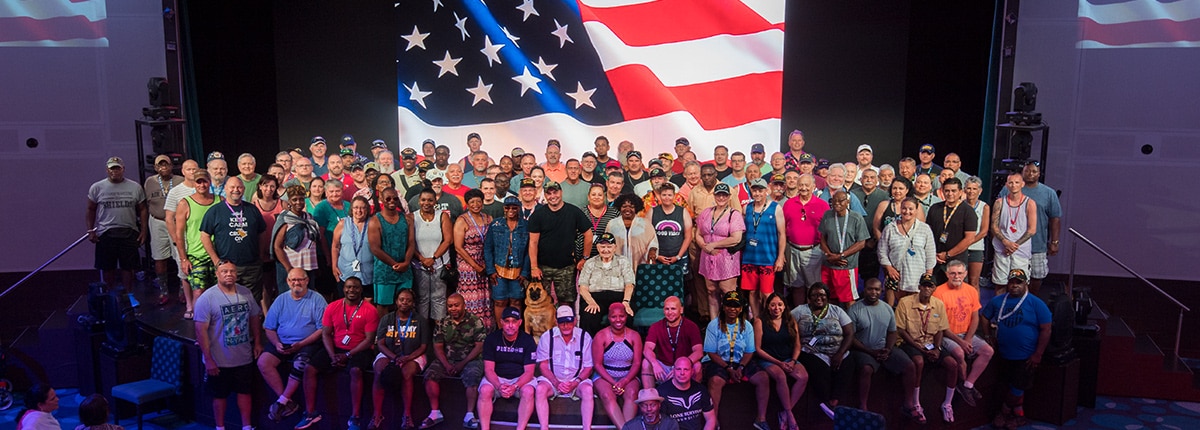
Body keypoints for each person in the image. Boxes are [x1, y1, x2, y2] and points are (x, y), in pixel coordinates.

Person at [297, 277, 378, 430]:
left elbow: (369, 340)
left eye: (355, 287)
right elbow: (326, 334)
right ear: (343, 288)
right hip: (335, 349)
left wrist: (348, 355)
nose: (351, 290)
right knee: (309, 368)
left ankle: (355, 418)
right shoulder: (333, 307)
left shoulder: (370, 310)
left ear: (361, 290)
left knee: (355, 371)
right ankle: (310, 413)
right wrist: (332, 354)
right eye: (348, 287)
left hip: (360, 349)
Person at [195, 260, 263, 430]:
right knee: (219, 396)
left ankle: (246, 426)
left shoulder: (246, 293)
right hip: (219, 360)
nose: (229, 274)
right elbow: (200, 331)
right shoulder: (207, 298)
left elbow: (255, 317)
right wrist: (208, 359)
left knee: (245, 392)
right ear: (217, 274)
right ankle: (220, 427)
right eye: (224, 271)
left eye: (232, 271)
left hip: (243, 356)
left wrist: (258, 342)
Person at [981, 269, 1051, 428]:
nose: (1014, 286)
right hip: (1003, 354)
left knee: (1018, 388)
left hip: (1026, 357)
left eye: (1018, 282)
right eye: (1012, 282)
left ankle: (1004, 411)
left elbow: (1047, 329)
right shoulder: (998, 301)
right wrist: (987, 336)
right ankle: (1019, 415)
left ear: (1025, 283)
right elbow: (985, 316)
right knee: (1009, 385)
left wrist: (1038, 354)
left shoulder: (1036, 303)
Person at [260, 268, 328, 422]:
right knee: (263, 362)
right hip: (282, 341)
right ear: (288, 282)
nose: (297, 283)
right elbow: (269, 327)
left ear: (307, 281)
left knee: (300, 363)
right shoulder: (281, 299)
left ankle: (281, 402)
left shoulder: (317, 299)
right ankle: (286, 402)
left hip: (307, 342)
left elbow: (322, 329)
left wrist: (301, 344)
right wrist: (276, 343)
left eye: (300, 279)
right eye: (293, 280)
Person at [846, 279, 918, 417]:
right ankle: (863, 406)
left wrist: (888, 349)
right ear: (864, 289)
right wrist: (870, 352)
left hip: (884, 349)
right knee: (866, 369)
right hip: (863, 349)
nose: (873, 292)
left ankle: (909, 404)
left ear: (881, 291)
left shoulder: (887, 309)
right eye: (870, 289)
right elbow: (851, 338)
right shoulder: (854, 310)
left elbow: (892, 332)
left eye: (877, 289)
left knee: (910, 365)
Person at [895, 274, 959, 423]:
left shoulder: (939, 304)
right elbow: (901, 331)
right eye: (924, 285)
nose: (927, 288)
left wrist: (937, 349)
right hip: (911, 343)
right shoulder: (905, 302)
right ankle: (916, 403)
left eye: (930, 286)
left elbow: (940, 330)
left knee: (953, 364)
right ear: (919, 287)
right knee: (918, 361)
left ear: (934, 288)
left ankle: (947, 404)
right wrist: (919, 348)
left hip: (931, 344)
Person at [700, 291, 769, 428]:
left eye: (736, 306)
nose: (732, 309)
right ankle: (714, 421)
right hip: (719, 361)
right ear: (723, 307)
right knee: (715, 381)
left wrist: (741, 367)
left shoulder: (747, 326)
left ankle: (761, 419)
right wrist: (728, 368)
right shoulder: (714, 325)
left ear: (741, 308)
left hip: (740, 361)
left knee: (763, 377)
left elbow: (749, 351)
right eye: (729, 305)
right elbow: (711, 352)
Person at [934, 260, 994, 408]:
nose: (956, 276)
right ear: (947, 274)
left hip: (966, 334)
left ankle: (967, 385)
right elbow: (941, 326)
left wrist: (967, 339)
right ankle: (963, 384)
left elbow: (975, 317)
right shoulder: (938, 292)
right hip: (947, 335)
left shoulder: (971, 290)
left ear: (965, 274)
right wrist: (961, 342)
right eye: (953, 273)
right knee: (960, 353)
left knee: (988, 351)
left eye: (960, 273)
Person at [424, 293, 489, 429]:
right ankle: (435, 413)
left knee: (473, 376)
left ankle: (469, 415)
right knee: (430, 374)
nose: (453, 308)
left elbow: (479, 346)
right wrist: (447, 364)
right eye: (450, 306)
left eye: (456, 305)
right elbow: (437, 346)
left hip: (470, 359)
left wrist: (462, 363)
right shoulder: (443, 322)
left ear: (464, 306)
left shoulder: (475, 321)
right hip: (448, 359)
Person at [201, 177, 268, 306]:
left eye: (239, 187)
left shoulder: (252, 209)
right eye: (232, 187)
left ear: (243, 189)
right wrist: (216, 260)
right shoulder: (215, 211)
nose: (235, 190)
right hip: (227, 267)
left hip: (251, 266)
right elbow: (204, 236)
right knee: (228, 302)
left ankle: (252, 326)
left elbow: (262, 232)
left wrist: (259, 256)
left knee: (253, 302)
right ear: (225, 189)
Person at [792, 283, 854, 420]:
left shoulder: (836, 310)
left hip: (837, 350)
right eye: (814, 295)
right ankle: (824, 402)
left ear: (827, 297)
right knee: (821, 369)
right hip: (812, 351)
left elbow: (849, 333)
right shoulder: (800, 311)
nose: (818, 298)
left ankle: (834, 402)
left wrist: (839, 354)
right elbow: (788, 326)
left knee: (848, 364)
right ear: (809, 298)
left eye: (822, 295)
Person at [370, 289, 429, 430]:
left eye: (408, 300)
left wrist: (408, 358)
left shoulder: (420, 320)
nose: (405, 302)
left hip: (413, 354)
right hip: (390, 353)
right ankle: (377, 414)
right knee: (379, 370)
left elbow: (423, 346)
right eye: (401, 299)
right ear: (396, 301)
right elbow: (380, 343)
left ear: (413, 303)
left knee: (406, 373)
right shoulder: (387, 318)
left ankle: (407, 416)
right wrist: (395, 357)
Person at [88, 156, 149, 292]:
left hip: (129, 231)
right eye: (112, 169)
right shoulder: (97, 187)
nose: (114, 171)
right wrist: (90, 230)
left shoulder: (135, 187)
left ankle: (128, 294)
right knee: (108, 267)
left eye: (117, 168)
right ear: (107, 170)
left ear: (123, 169)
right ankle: (110, 295)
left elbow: (143, 209)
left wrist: (144, 230)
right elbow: (91, 209)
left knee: (128, 267)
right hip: (105, 232)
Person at [529, 180, 594, 306]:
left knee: (567, 302)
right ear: (545, 195)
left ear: (561, 192)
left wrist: (585, 258)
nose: (553, 196)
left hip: (567, 266)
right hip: (543, 267)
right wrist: (534, 267)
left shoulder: (573, 212)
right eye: (549, 193)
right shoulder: (538, 215)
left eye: (555, 192)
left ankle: (567, 326)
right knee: (542, 303)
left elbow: (589, 235)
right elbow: (533, 242)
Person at [1004, 161, 1062, 294]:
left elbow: (1055, 219)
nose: (1030, 174)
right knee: (1013, 277)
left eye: (1034, 171)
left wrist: (1055, 242)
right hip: (1013, 244)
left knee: (1037, 276)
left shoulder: (1049, 193)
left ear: (1039, 174)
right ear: (1022, 172)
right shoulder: (1010, 188)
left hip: (1037, 244)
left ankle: (1030, 301)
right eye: (1027, 171)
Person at [534, 306, 595, 430]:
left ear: (575, 320)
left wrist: (575, 382)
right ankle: (544, 428)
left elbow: (588, 367)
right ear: (556, 322)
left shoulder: (585, 337)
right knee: (540, 389)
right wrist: (556, 383)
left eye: (569, 321)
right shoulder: (547, 337)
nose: (566, 325)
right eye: (562, 322)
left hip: (577, 380)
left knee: (588, 390)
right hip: (553, 380)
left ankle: (586, 428)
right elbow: (543, 366)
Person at [752, 293, 807, 430]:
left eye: (780, 304)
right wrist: (779, 363)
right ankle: (790, 415)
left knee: (803, 377)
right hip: (767, 358)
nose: (776, 308)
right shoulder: (759, 321)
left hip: (788, 358)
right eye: (773, 305)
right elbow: (758, 349)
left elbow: (797, 345)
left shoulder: (790, 320)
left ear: (784, 307)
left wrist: (793, 361)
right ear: (768, 306)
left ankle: (785, 411)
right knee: (780, 376)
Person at [479, 307, 539, 430]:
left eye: (514, 321)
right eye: (507, 321)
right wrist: (499, 386)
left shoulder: (527, 340)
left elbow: (529, 372)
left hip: (520, 379)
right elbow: (489, 369)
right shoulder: (492, 339)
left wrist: (515, 386)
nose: (510, 325)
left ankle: (520, 428)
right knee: (485, 390)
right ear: (501, 322)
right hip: (497, 378)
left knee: (528, 391)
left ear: (520, 322)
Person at [694, 183, 744, 319]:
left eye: (724, 195)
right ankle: (713, 324)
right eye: (718, 194)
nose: (721, 197)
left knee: (728, 293)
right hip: (707, 257)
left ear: (729, 197)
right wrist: (704, 246)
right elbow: (698, 233)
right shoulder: (706, 212)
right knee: (711, 291)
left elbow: (736, 238)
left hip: (726, 258)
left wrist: (714, 245)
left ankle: (730, 325)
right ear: (714, 196)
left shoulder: (734, 215)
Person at [177, 170, 221, 319]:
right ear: (194, 183)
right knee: (198, 291)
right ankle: (198, 325)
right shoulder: (185, 203)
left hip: (218, 254)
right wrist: (183, 258)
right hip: (196, 255)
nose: (202, 185)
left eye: (205, 181)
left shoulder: (219, 200)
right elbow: (179, 234)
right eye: (198, 182)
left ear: (210, 182)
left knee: (219, 291)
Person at [593, 303, 645, 428]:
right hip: (605, 375)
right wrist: (613, 382)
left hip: (628, 374)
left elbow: (637, 362)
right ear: (608, 318)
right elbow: (597, 364)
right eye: (613, 317)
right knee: (606, 395)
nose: (618, 320)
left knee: (632, 393)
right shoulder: (601, 336)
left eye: (621, 316)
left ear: (626, 316)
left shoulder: (634, 336)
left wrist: (624, 381)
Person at [878, 198, 937, 307]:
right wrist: (889, 268)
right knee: (893, 308)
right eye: (904, 208)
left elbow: (930, 253)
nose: (907, 211)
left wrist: (928, 276)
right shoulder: (890, 228)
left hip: (917, 276)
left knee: (915, 308)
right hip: (896, 276)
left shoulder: (925, 229)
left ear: (916, 210)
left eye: (911, 209)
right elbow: (882, 250)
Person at [740, 179, 785, 318]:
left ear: (767, 191)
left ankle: (770, 318)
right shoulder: (746, 208)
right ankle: (757, 319)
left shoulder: (775, 208)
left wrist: (780, 257)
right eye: (755, 190)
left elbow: (782, 233)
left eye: (760, 190)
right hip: (750, 257)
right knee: (752, 291)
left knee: (767, 292)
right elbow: (742, 231)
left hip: (768, 257)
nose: (757, 193)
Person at [782, 174, 829, 307]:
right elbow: (782, 228)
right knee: (796, 286)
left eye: (806, 185)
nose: (803, 188)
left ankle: (813, 316)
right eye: (801, 185)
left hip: (814, 251)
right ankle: (798, 315)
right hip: (792, 250)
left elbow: (827, 231)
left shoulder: (822, 205)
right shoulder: (789, 204)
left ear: (813, 187)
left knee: (814, 289)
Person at [576, 232, 637, 334]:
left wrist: (626, 301)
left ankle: (625, 346)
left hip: (619, 297)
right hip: (595, 298)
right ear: (597, 247)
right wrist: (591, 302)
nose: (605, 250)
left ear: (615, 247)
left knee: (626, 314)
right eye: (602, 247)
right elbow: (583, 287)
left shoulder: (623, 261)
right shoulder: (590, 263)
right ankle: (591, 347)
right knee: (589, 315)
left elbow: (629, 284)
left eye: (609, 246)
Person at [368, 188, 417, 314]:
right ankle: (384, 332)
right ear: (381, 200)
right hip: (384, 271)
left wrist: (406, 262)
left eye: (395, 198)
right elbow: (375, 248)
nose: (392, 201)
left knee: (405, 304)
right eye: (388, 199)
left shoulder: (407, 219)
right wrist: (394, 265)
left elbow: (411, 243)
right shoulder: (375, 220)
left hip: (405, 269)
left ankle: (403, 331)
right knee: (383, 305)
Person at [484, 196, 531, 327]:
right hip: (499, 269)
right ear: (504, 209)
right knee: (500, 301)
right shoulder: (495, 224)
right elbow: (488, 248)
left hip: (518, 270)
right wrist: (490, 270)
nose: (511, 210)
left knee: (516, 301)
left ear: (519, 209)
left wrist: (525, 272)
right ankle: (501, 330)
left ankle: (515, 328)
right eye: (508, 207)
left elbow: (529, 251)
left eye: (514, 207)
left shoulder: (525, 226)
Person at [271, 185, 325, 299]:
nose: (298, 202)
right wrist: (288, 268)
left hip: (308, 266)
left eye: (301, 199)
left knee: (307, 298)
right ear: (289, 201)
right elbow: (277, 247)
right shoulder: (285, 219)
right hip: (291, 267)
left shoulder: (309, 217)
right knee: (290, 299)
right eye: (295, 199)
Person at [640, 296, 704, 389]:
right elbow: (647, 349)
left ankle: (692, 397)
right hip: (664, 368)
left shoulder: (691, 326)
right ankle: (650, 398)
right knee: (646, 363)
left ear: (681, 310)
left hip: (683, 368)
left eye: (673, 309)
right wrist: (655, 364)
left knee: (697, 365)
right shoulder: (656, 327)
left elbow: (698, 352)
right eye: (667, 309)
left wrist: (679, 367)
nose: (670, 312)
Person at [144, 154, 184, 304]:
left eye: (166, 164)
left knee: (180, 256)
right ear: (155, 168)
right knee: (159, 257)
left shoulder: (180, 181)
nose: (163, 167)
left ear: (171, 166)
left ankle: (182, 290)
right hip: (157, 221)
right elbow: (146, 204)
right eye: (160, 165)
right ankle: (163, 291)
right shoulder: (150, 182)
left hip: (176, 222)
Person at [926, 177, 978, 284]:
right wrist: (933, 254)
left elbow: (969, 238)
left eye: (953, 191)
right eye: (947, 191)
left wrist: (948, 254)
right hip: (935, 259)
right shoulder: (935, 208)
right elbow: (928, 233)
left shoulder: (968, 211)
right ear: (942, 191)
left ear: (960, 192)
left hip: (956, 260)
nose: (950, 194)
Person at [455, 189, 495, 327]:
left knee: (486, 297)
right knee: (472, 298)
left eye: (479, 201)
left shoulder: (489, 218)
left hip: (486, 261)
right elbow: (458, 247)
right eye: (472, 202)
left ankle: (486, 330)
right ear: (467, 204)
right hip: (468, 264)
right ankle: (470, 330)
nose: (476, 204)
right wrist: (476, 266)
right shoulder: (462, 220)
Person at [992, 172, 1038, 289]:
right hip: (1002, 249)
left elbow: (1032, 230)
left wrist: (1014, 245)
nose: (1013, 185)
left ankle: (1019, 308)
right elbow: (994, 226)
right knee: (1000, 284)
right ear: (1007, 185)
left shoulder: (1030, 203)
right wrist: (1006, 242)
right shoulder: (999, 203)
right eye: (1011, 182)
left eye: (1017, 182)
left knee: (1020, 285)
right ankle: (1000, 307)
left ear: (1022, 184)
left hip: (1020, 251)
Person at [656, 356, 716, 430]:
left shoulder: (701, 390)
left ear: (692, 371)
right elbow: (660, 424)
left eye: (686, 369)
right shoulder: (662, 392)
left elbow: (710, 419)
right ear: (673, 371)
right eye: (678, 369)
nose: (682, 373)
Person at [332, 197, 375, 294]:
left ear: (367, 209)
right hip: (346, 272)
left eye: (362, 208)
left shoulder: (373, 223)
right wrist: (334, 266)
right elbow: (335, 246)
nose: (359, 211)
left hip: (368, 273)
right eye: (356, 207)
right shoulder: (342, 224)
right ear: (351, 209)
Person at [649, 183, 693, 277]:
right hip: (658, 257)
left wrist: (678, 256)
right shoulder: (652, 211)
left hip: (679, 257)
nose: (667, 198)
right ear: (660, 196)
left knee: (680, 287)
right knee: (659, 286)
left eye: (669, 195)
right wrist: (657, 256)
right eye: (664, 195)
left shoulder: (683, 211)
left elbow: (688, 236)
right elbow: (646, 236)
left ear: (674, 196)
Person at [606, 193, 659, 268]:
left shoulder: (645, 224)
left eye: (631, 207)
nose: (627, 209)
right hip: (617, 266)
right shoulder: (612, 224)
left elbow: (653, 241)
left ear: (636, 208)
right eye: (624, 206)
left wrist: (652, 251)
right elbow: (606, 244)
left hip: (640, 265)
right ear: (619, 208)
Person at [962, 176, 991, 289]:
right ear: (964, 190)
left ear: (980, 190)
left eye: (974, 189)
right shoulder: (960, 205)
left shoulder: (984, 207)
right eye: (969, 188)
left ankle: (975, 307)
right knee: (961, 281)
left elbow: (984, 231)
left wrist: (969, 241)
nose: (971, 191)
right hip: (961, 248)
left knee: (974, 282)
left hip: (977, 248)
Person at [579, 183, 617, 260]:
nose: (596, 197)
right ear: (588, 197)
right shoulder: (580, 212)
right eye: (593, 194)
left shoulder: (614, 213)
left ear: (604, 197)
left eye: (600, 195)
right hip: (584, 258)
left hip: (607, 258)